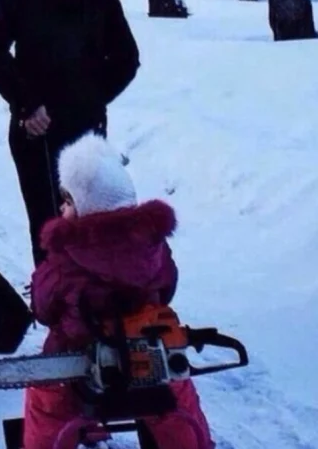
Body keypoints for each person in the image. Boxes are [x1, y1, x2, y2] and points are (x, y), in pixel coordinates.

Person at [23, 133, 214, 449]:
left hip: (77, 362)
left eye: (68, 202)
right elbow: (167, 287)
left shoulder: (64, 258)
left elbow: (43, 309)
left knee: (46, 402)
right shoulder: (153, 248)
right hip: (148, 355)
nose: (62, 208)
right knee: (176, 396)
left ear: (86, 208)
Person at [0, 0, 140, 264]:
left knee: (45, 217)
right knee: (91, 212)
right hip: (87, 127)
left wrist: (27, 103)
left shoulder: (16, 4)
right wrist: (89, 99)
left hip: (36, 129)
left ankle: (53, 287)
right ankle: (97, 283)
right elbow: (127, 60)